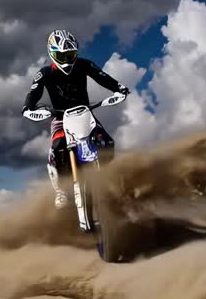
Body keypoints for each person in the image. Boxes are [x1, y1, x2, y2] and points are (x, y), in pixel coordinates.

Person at [21, 28, 130, 209]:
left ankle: (106, 178)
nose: (67, 60)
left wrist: (119, 88)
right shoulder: (45, 73)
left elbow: (103, 78)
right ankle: (61, 191)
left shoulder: (84, 65)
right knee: (57, 148)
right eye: (62, 56)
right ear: (53, 53)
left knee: (107, 143)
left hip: (85, 113)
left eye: (70, 55)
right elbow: (34, 92)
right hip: (60, 118)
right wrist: (28, 107)